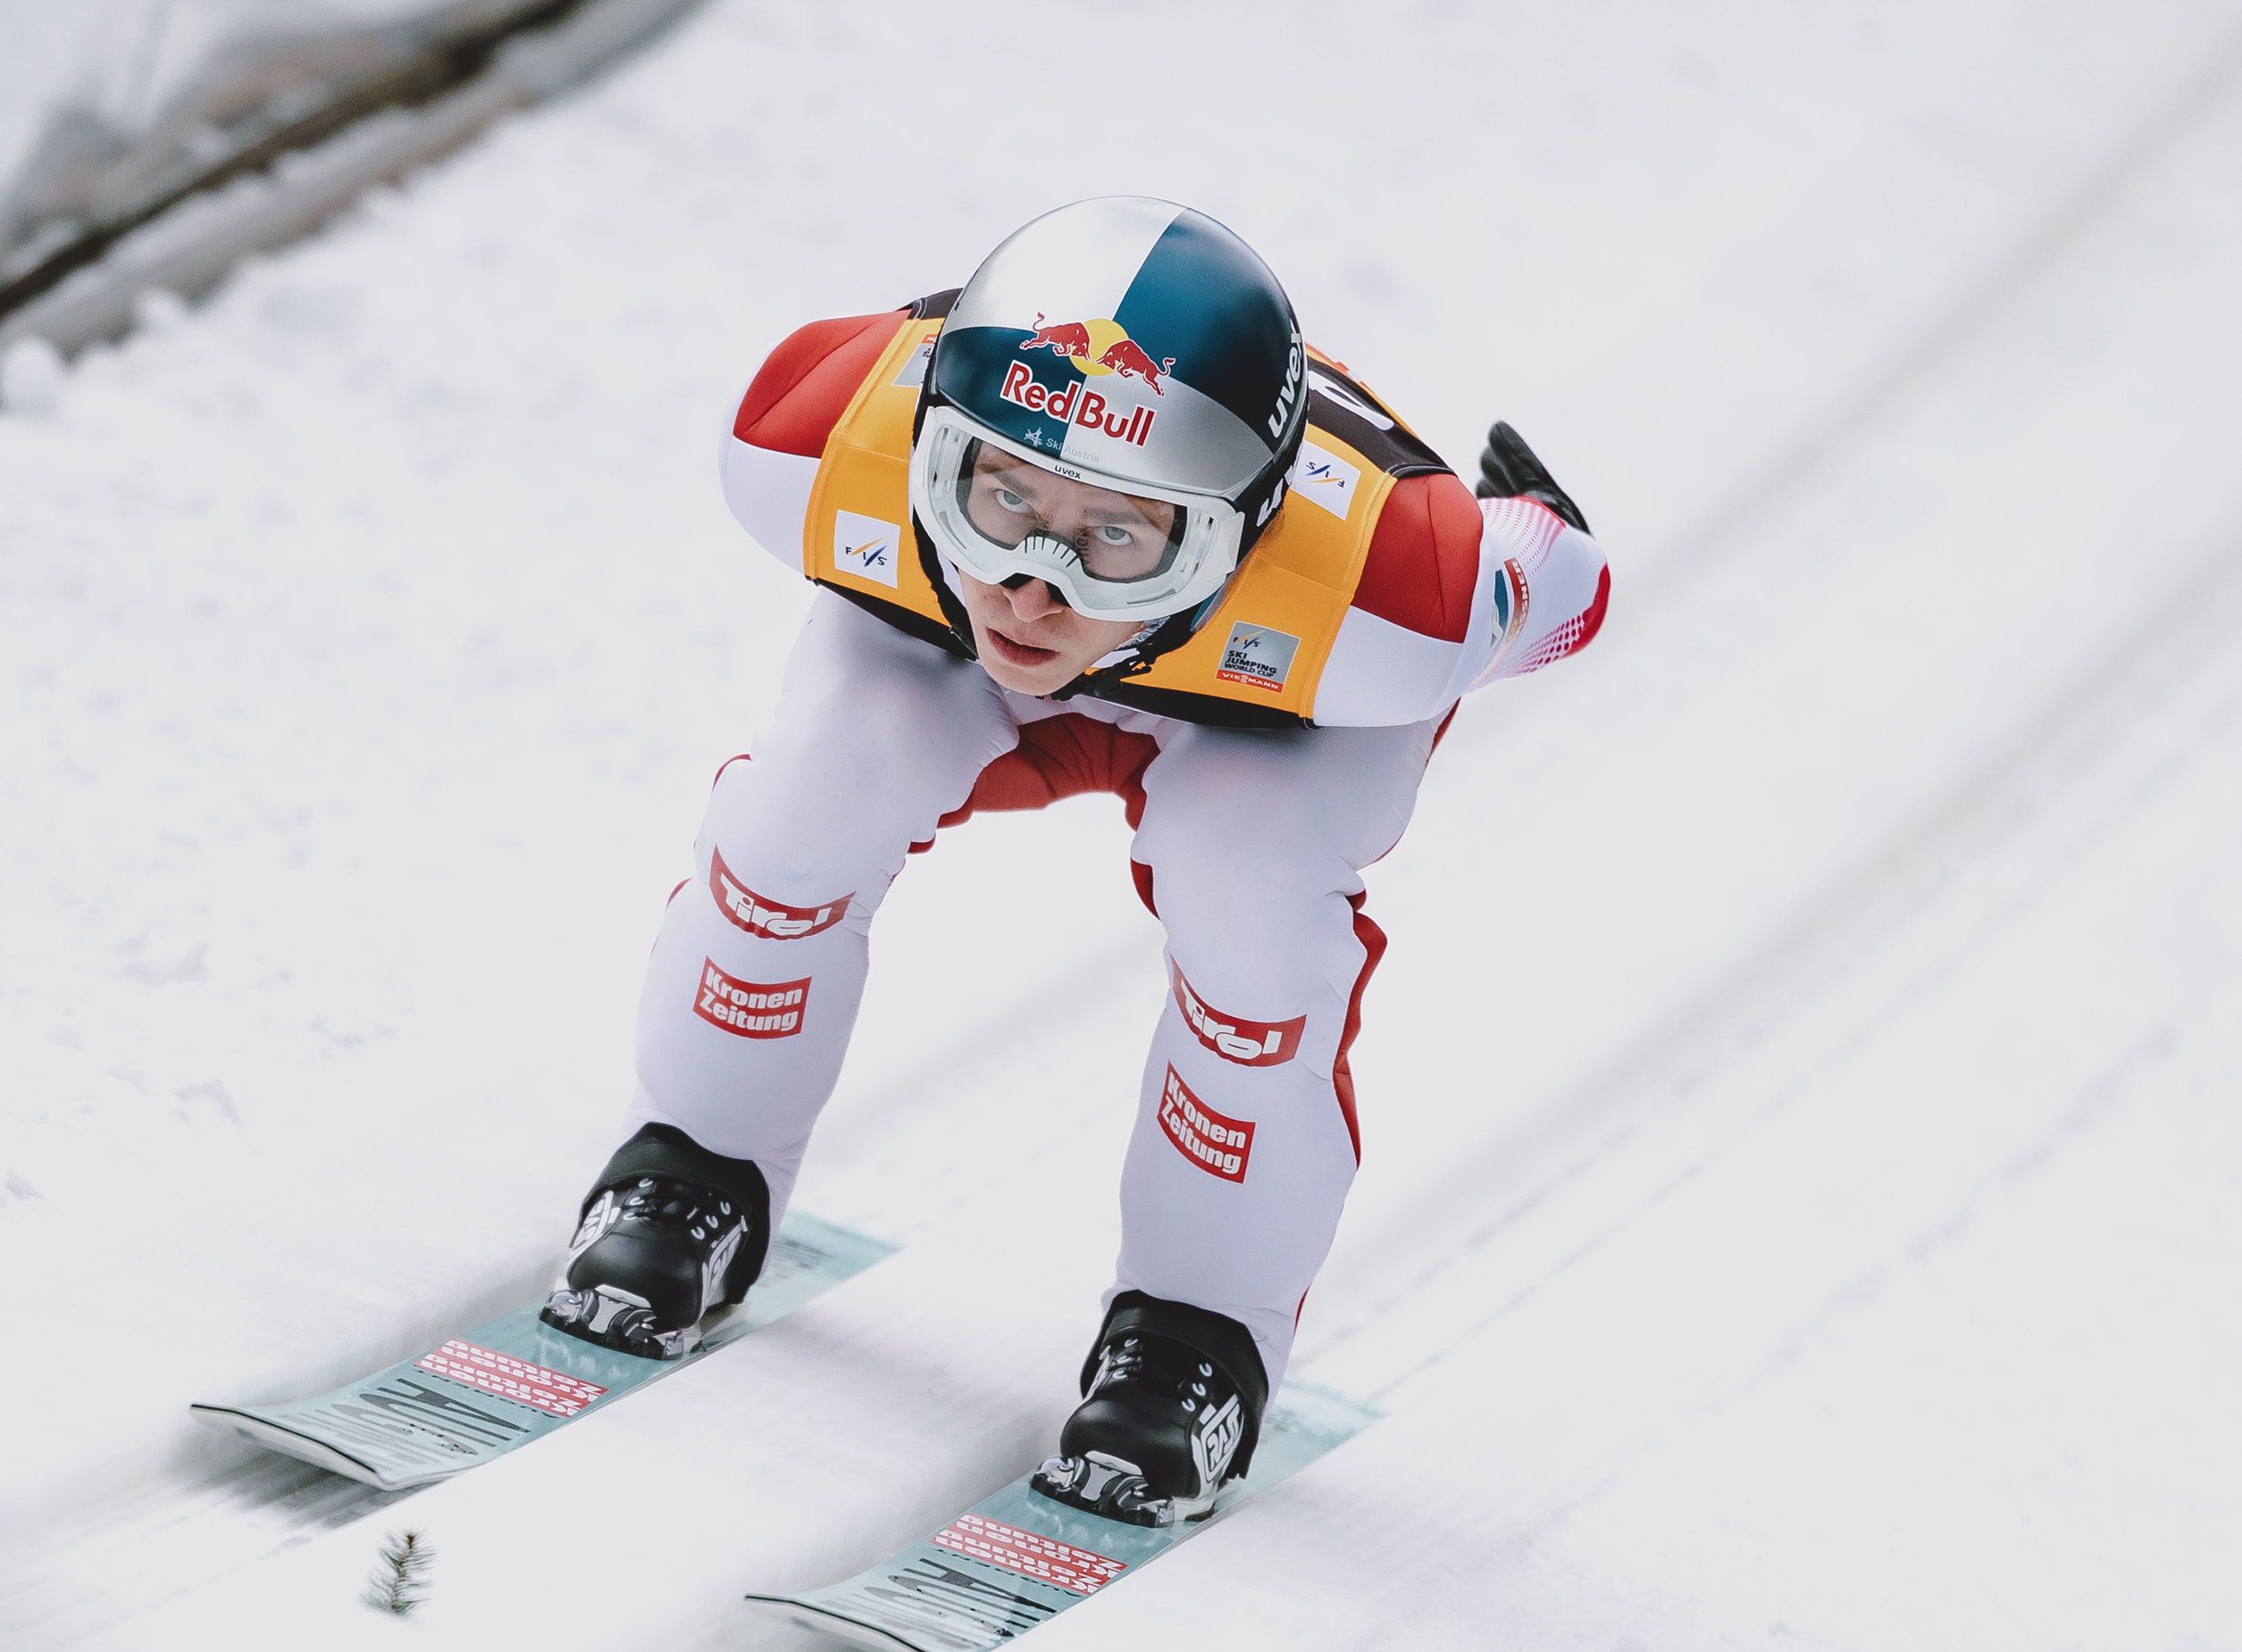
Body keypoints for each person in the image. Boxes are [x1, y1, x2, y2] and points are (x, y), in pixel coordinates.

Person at [543, 196, 1609, 1529]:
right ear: (931, 452)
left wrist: (1539, 535)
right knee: (820, 781)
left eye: (1117, 532)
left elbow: (1544, 582)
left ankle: (1194, 1337)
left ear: (1244, 530)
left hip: (1266, 728)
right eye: (999, 498)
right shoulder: (810, 436)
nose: (1034, 585)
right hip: (1001, 664)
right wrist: (1088, 550)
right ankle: (696, 1164)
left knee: (1253, 901)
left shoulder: (1391, 598)